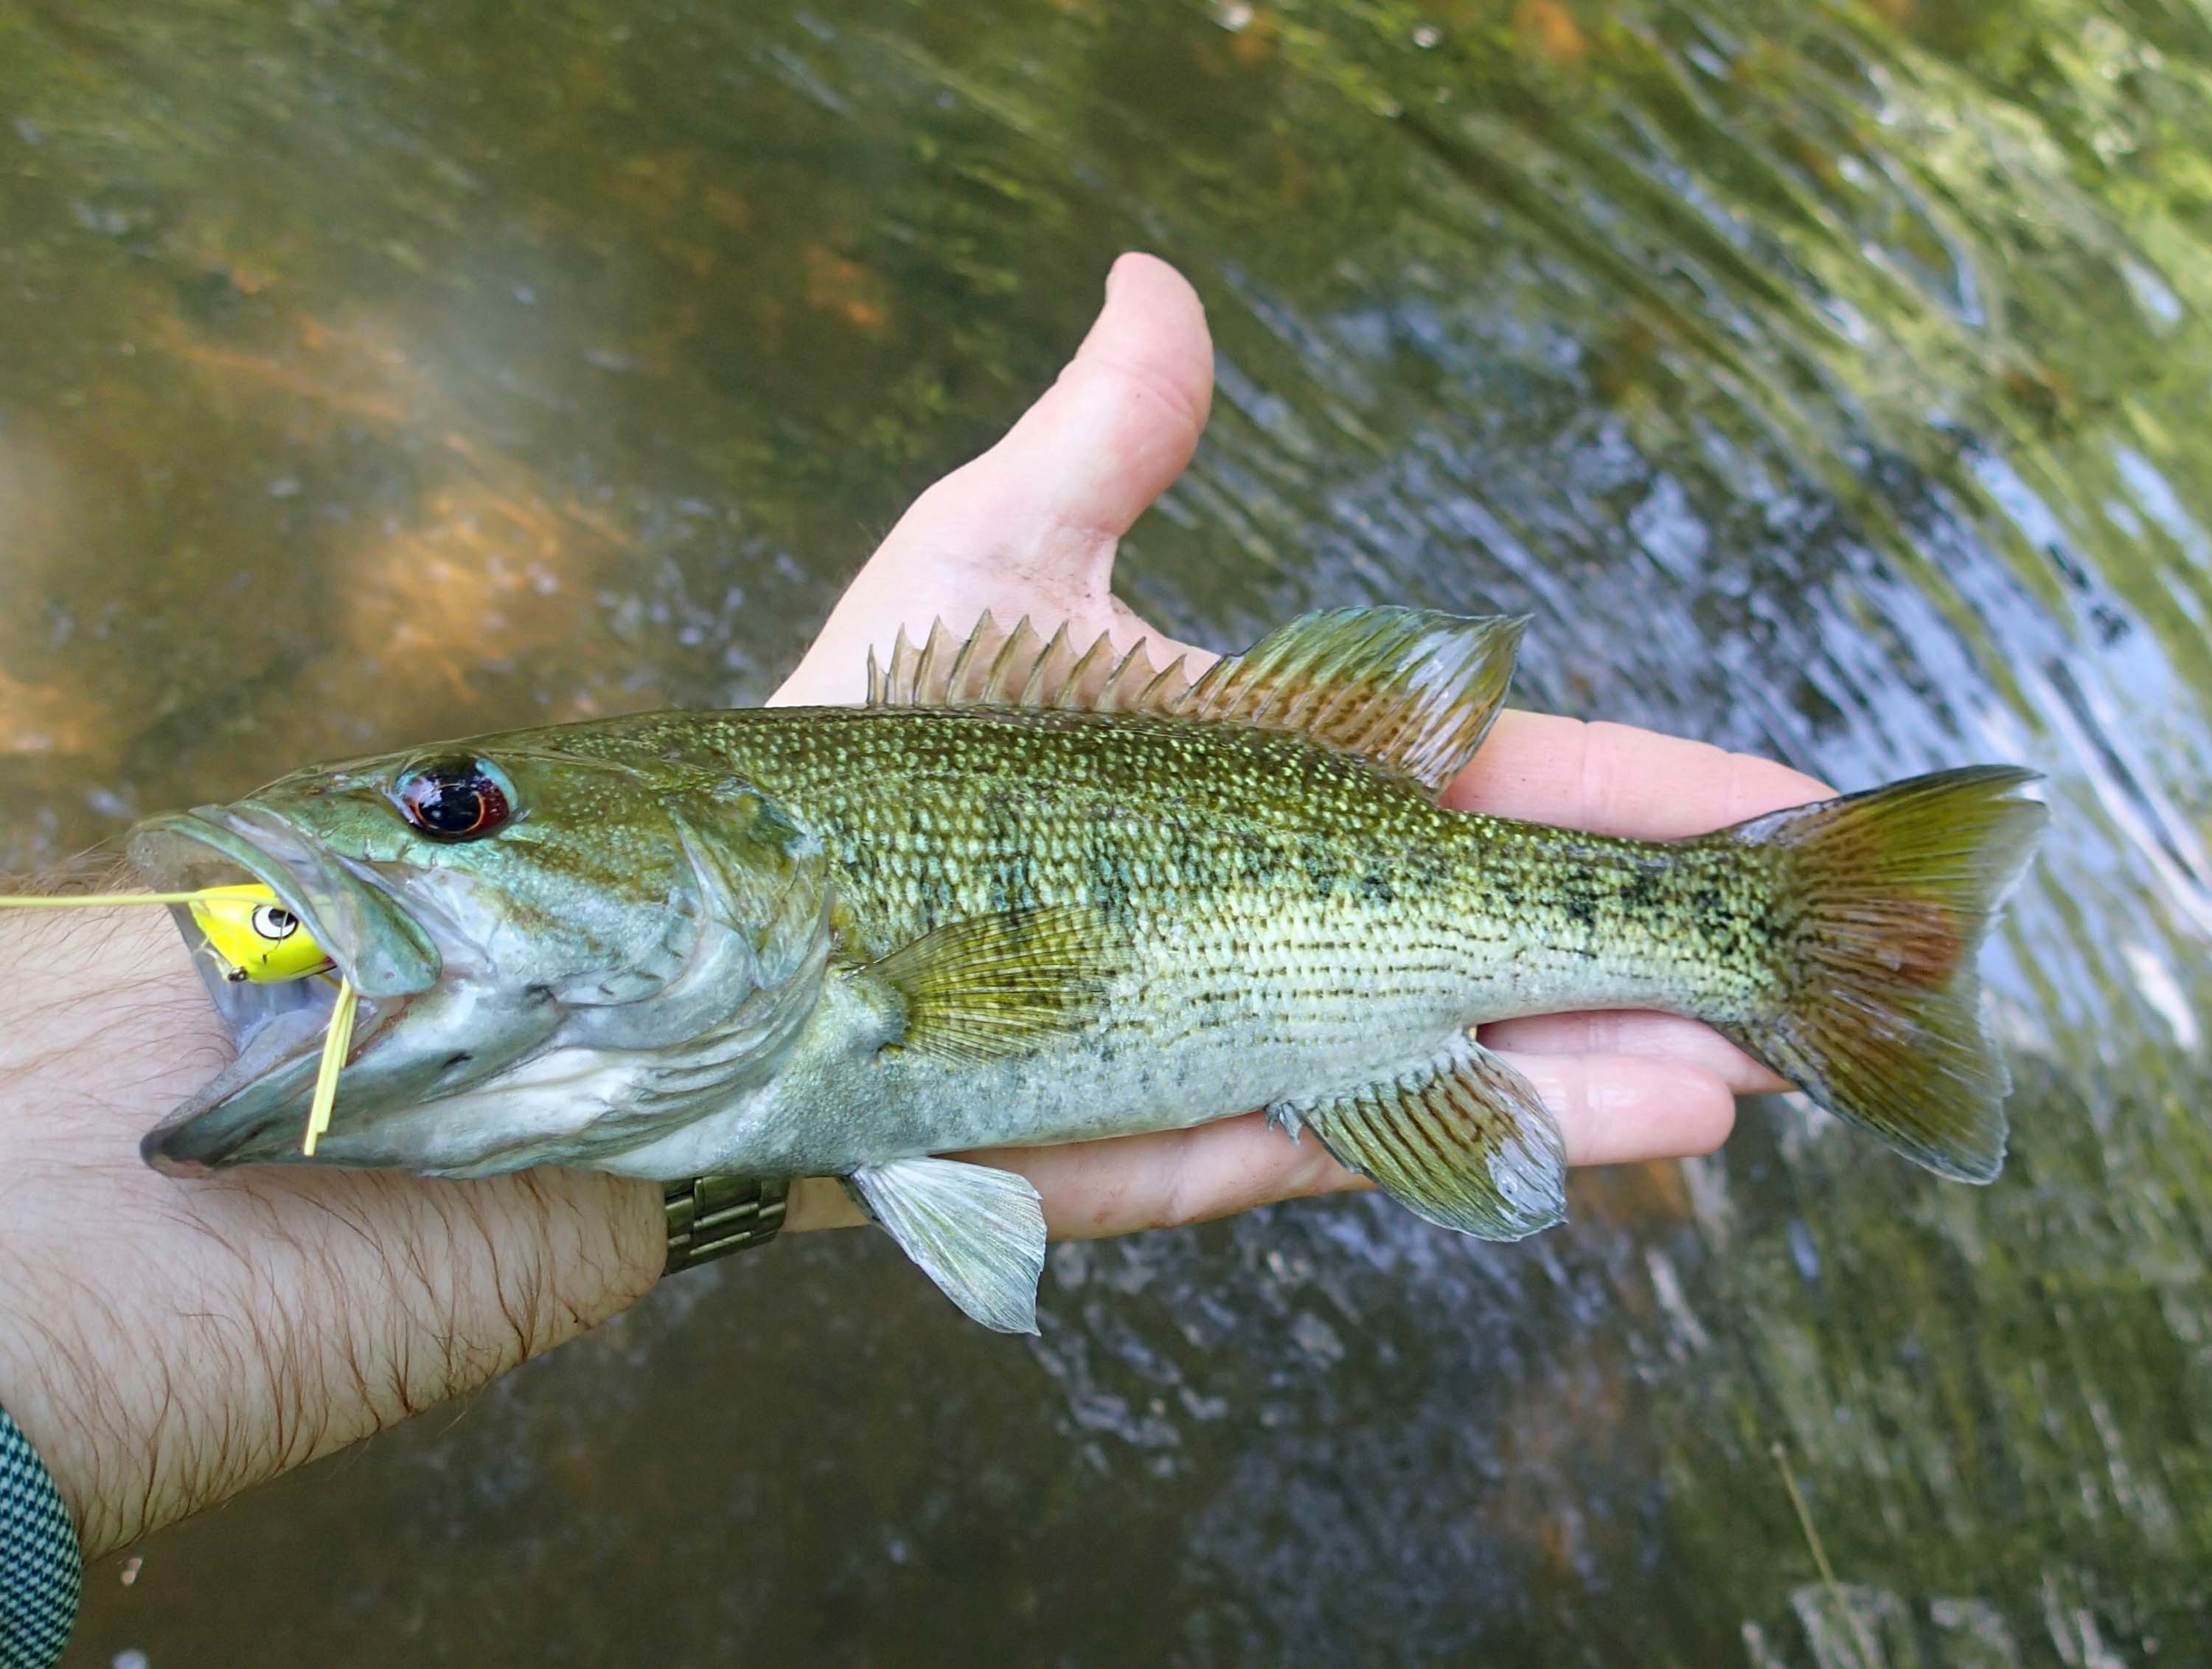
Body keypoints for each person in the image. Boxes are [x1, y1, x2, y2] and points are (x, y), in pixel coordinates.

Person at [0, 254, 1825, 1595]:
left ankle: (1782, 942)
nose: (425, 829)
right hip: (840, 1074)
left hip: (1345, 984)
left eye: (454, 809)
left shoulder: (796, 951)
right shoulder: (697, 960)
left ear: (723, 845)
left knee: (1704, 966)